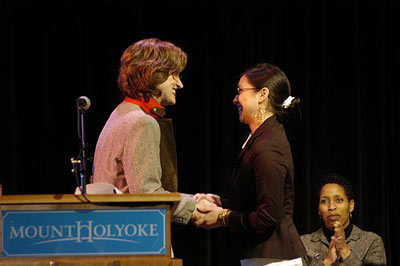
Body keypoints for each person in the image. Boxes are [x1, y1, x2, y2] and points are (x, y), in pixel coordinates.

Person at [193, 63, 306, 265]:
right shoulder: (260, 138)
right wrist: (221, 203)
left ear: (262, 94)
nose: (235, 99)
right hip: (263, 256)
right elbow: (255, 202)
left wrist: (222, 217)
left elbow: (268, 216)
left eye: (240, 91)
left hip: (273, 259)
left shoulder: (267, 146)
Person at [92, 38, 214, 225]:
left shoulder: (120, 113)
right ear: (154, 73)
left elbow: (130, 187)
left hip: (112, 229)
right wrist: (194, 210)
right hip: (135, 235)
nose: (179, 84)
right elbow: (147, 193)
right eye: (174, 75)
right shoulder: (142, 122)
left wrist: (194, 199)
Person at [300, 173, 387, 265]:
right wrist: (327, 263)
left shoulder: (371, 242)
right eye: (324, 201)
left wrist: (344, 251)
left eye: (339, 200)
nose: (331, 207)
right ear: (319, 209)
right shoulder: (303, 244)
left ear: (351, 205)